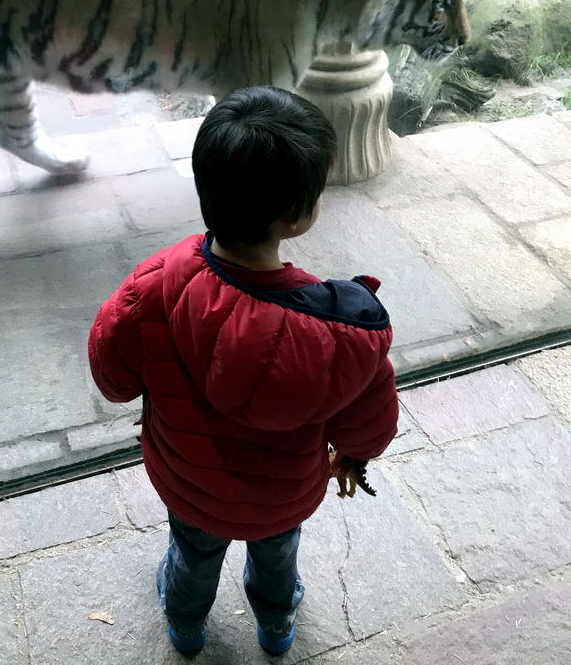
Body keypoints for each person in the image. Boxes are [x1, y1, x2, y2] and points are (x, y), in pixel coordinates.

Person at [88, 86, 399, 655]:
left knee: (193, 555)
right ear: (299, 217)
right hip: (283, 495)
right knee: (278, 556)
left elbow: (112, 378)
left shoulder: (149, 288)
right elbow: (368, 423)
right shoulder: (346, 332)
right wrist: (351, 459)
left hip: (190, 482)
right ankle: (277, 627)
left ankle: (186, 627)